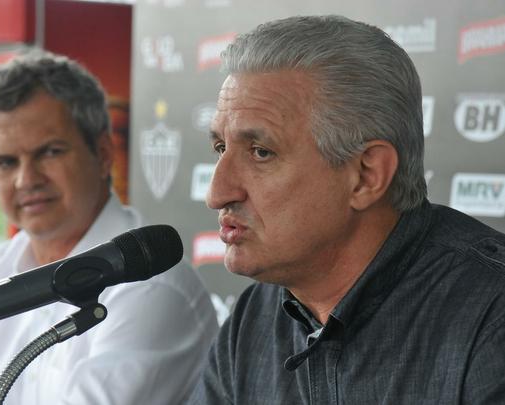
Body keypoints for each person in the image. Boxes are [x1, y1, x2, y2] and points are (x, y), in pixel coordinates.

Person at [187, 15, 505, 404]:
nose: (216, 193)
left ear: (366, 175)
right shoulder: (253, 319)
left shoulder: (492, 315)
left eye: (261, 152)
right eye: (221, 148)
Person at [0, 51, 218, 405]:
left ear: (103, 153)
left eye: (49, 153)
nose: (26, 180)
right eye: (5, 162)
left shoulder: (152, 287)